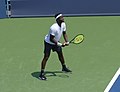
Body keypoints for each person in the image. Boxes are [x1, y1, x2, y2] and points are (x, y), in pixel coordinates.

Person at [39, 13, 72, 80]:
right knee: (46, 57)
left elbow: (64, 33)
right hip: (48, 43)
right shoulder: (53, 28)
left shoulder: (63, 24)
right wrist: (60, 44)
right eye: (61, 17)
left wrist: (67, 41)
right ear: (57, 19)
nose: (63, 18)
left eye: (63, 17)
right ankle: (41, 74)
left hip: (55, 42)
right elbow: (51, 38)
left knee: (60, 54)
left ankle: (64, 67)